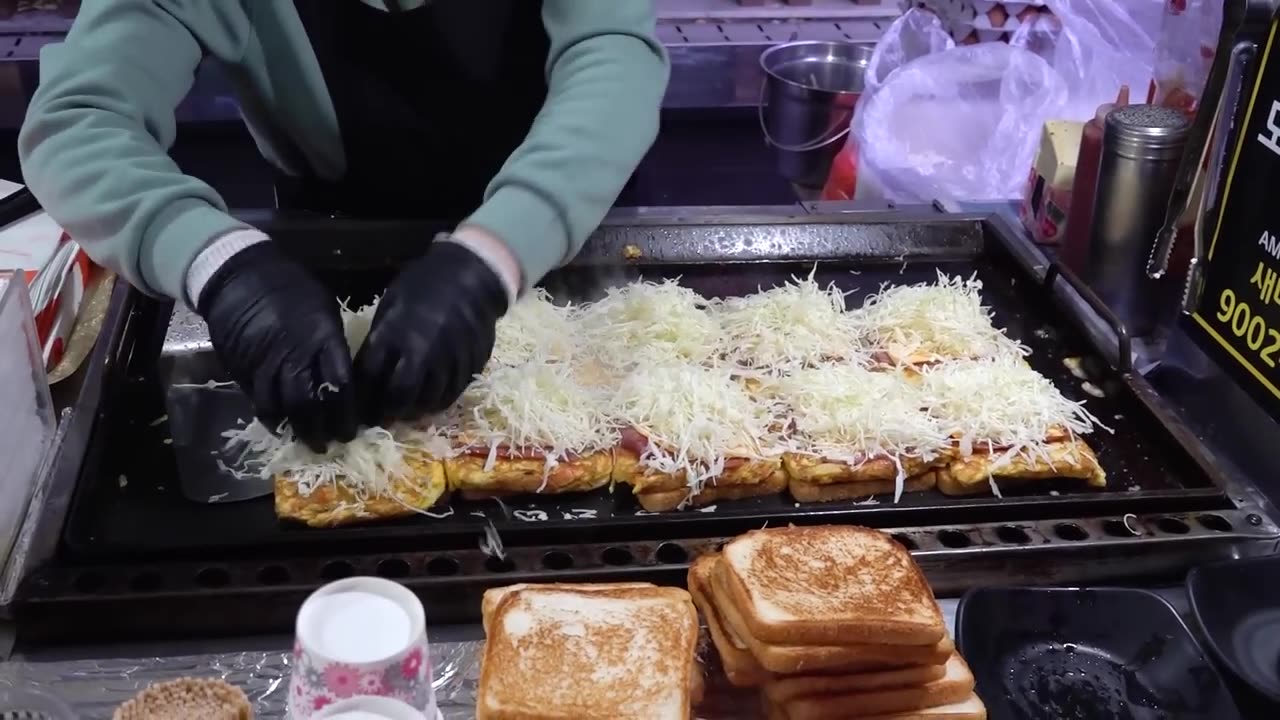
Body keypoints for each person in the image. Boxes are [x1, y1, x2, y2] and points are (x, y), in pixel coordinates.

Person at [18, 0, 669, 452]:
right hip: (328, 239)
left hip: (562, 231)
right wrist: (221, 264)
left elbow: (614, 56)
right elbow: (80, 119)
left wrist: (495, 252)